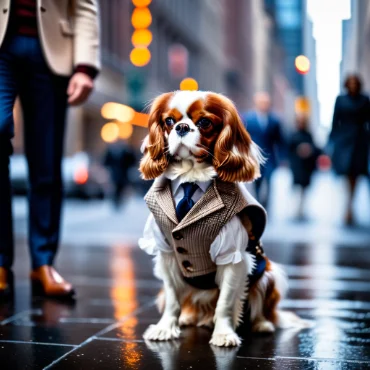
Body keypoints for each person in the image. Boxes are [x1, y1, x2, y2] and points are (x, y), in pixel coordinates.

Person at [0, 0, 100, 298]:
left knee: (46, 159)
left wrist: (84, 67)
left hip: (53, 50)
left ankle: (42, 262)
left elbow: (84, 6)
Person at [328, 74, 370, 225]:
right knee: (346, 173)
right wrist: (332, 142)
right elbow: (335, 121)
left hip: (359, 142)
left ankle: (350, 205)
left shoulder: (365, 100)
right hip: (344, 142)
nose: (352, 85)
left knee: (356, 174)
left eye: (355, 83)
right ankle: (348, 204)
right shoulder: (340, 99)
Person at [242, 92, 285, 209]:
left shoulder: (274, 121)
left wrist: (282, 157)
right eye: (261, 102)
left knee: (269, 181)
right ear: (256, 103)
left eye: (266, 103)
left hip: (269, 158)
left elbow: (280, 140)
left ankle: (266, 205)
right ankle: (258, 203)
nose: (264, 105)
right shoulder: (248, 119)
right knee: (257, 183)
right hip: (254, 158)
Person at [288, 113, 320, 220]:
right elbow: (288, 149)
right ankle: (296, 209)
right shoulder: (293, 135)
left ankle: (301, 209)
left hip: (306, 168)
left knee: (304, 189)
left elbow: (316, 149)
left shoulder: (309, 135)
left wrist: (309, 150)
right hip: (297, 167)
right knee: (296, 188)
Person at [103, 140, 136, 209]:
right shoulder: (110, 152)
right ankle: (115, 202)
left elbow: (132, 161)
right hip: (114, 175)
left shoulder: (126, 152)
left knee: (122, 188)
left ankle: (120, 202)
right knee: (115, 189)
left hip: (123, 175)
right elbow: (106, 163)